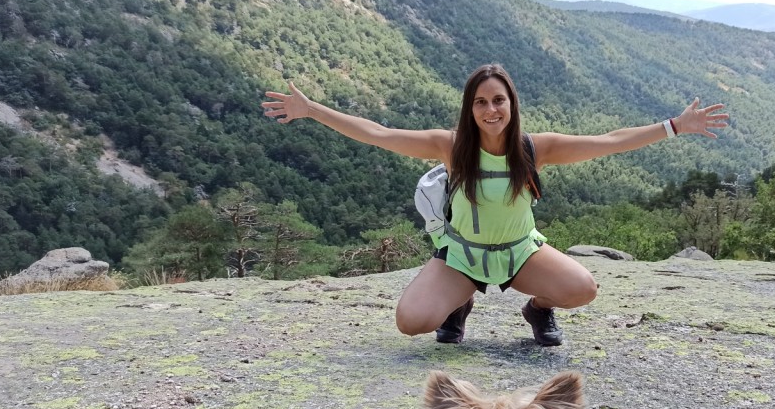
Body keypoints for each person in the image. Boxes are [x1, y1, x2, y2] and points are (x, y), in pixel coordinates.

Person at [262, 64, 729, 347]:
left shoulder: (535, 148)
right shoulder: (450, 147)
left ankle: (537, 309)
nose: (491, 110)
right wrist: (313, 110)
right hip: (462, 255)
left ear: (511, 104)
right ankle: (457, 303)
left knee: (582, 290)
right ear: (470, 108)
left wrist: (673, 126)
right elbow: (378, 133)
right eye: (481, 102)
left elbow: (609, 140)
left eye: (499, 100)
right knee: (411, 322)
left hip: (520, 253)